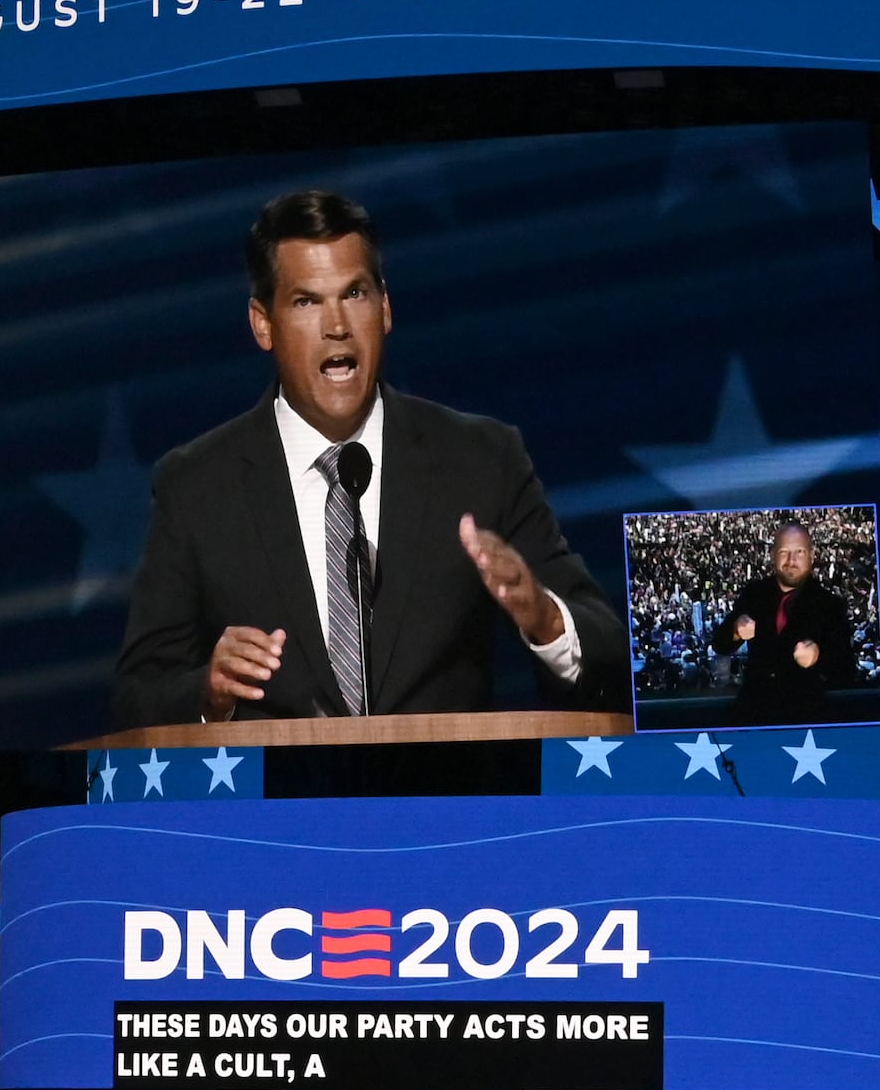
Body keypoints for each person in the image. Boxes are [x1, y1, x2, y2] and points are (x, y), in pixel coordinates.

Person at [111, 189, 625, 730]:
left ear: (384, 309)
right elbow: (138, 696)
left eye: (354, 293)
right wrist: (210, 692)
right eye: (306, 302)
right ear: (263, 324)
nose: (337, 325)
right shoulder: (196, 485)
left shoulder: (480, 458)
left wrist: (544, 617)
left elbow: (610, 653)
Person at [724, 522, 857, 721]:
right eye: (784, 552)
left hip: (805, 715)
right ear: (773, 555)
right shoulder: (754, 594)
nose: (791, 561)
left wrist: (818, 656)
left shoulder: (830, 605)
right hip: (754, 711)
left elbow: (846, 670)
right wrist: (736, 629)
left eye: (799, 552)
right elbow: (720, 644)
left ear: (811, 556)